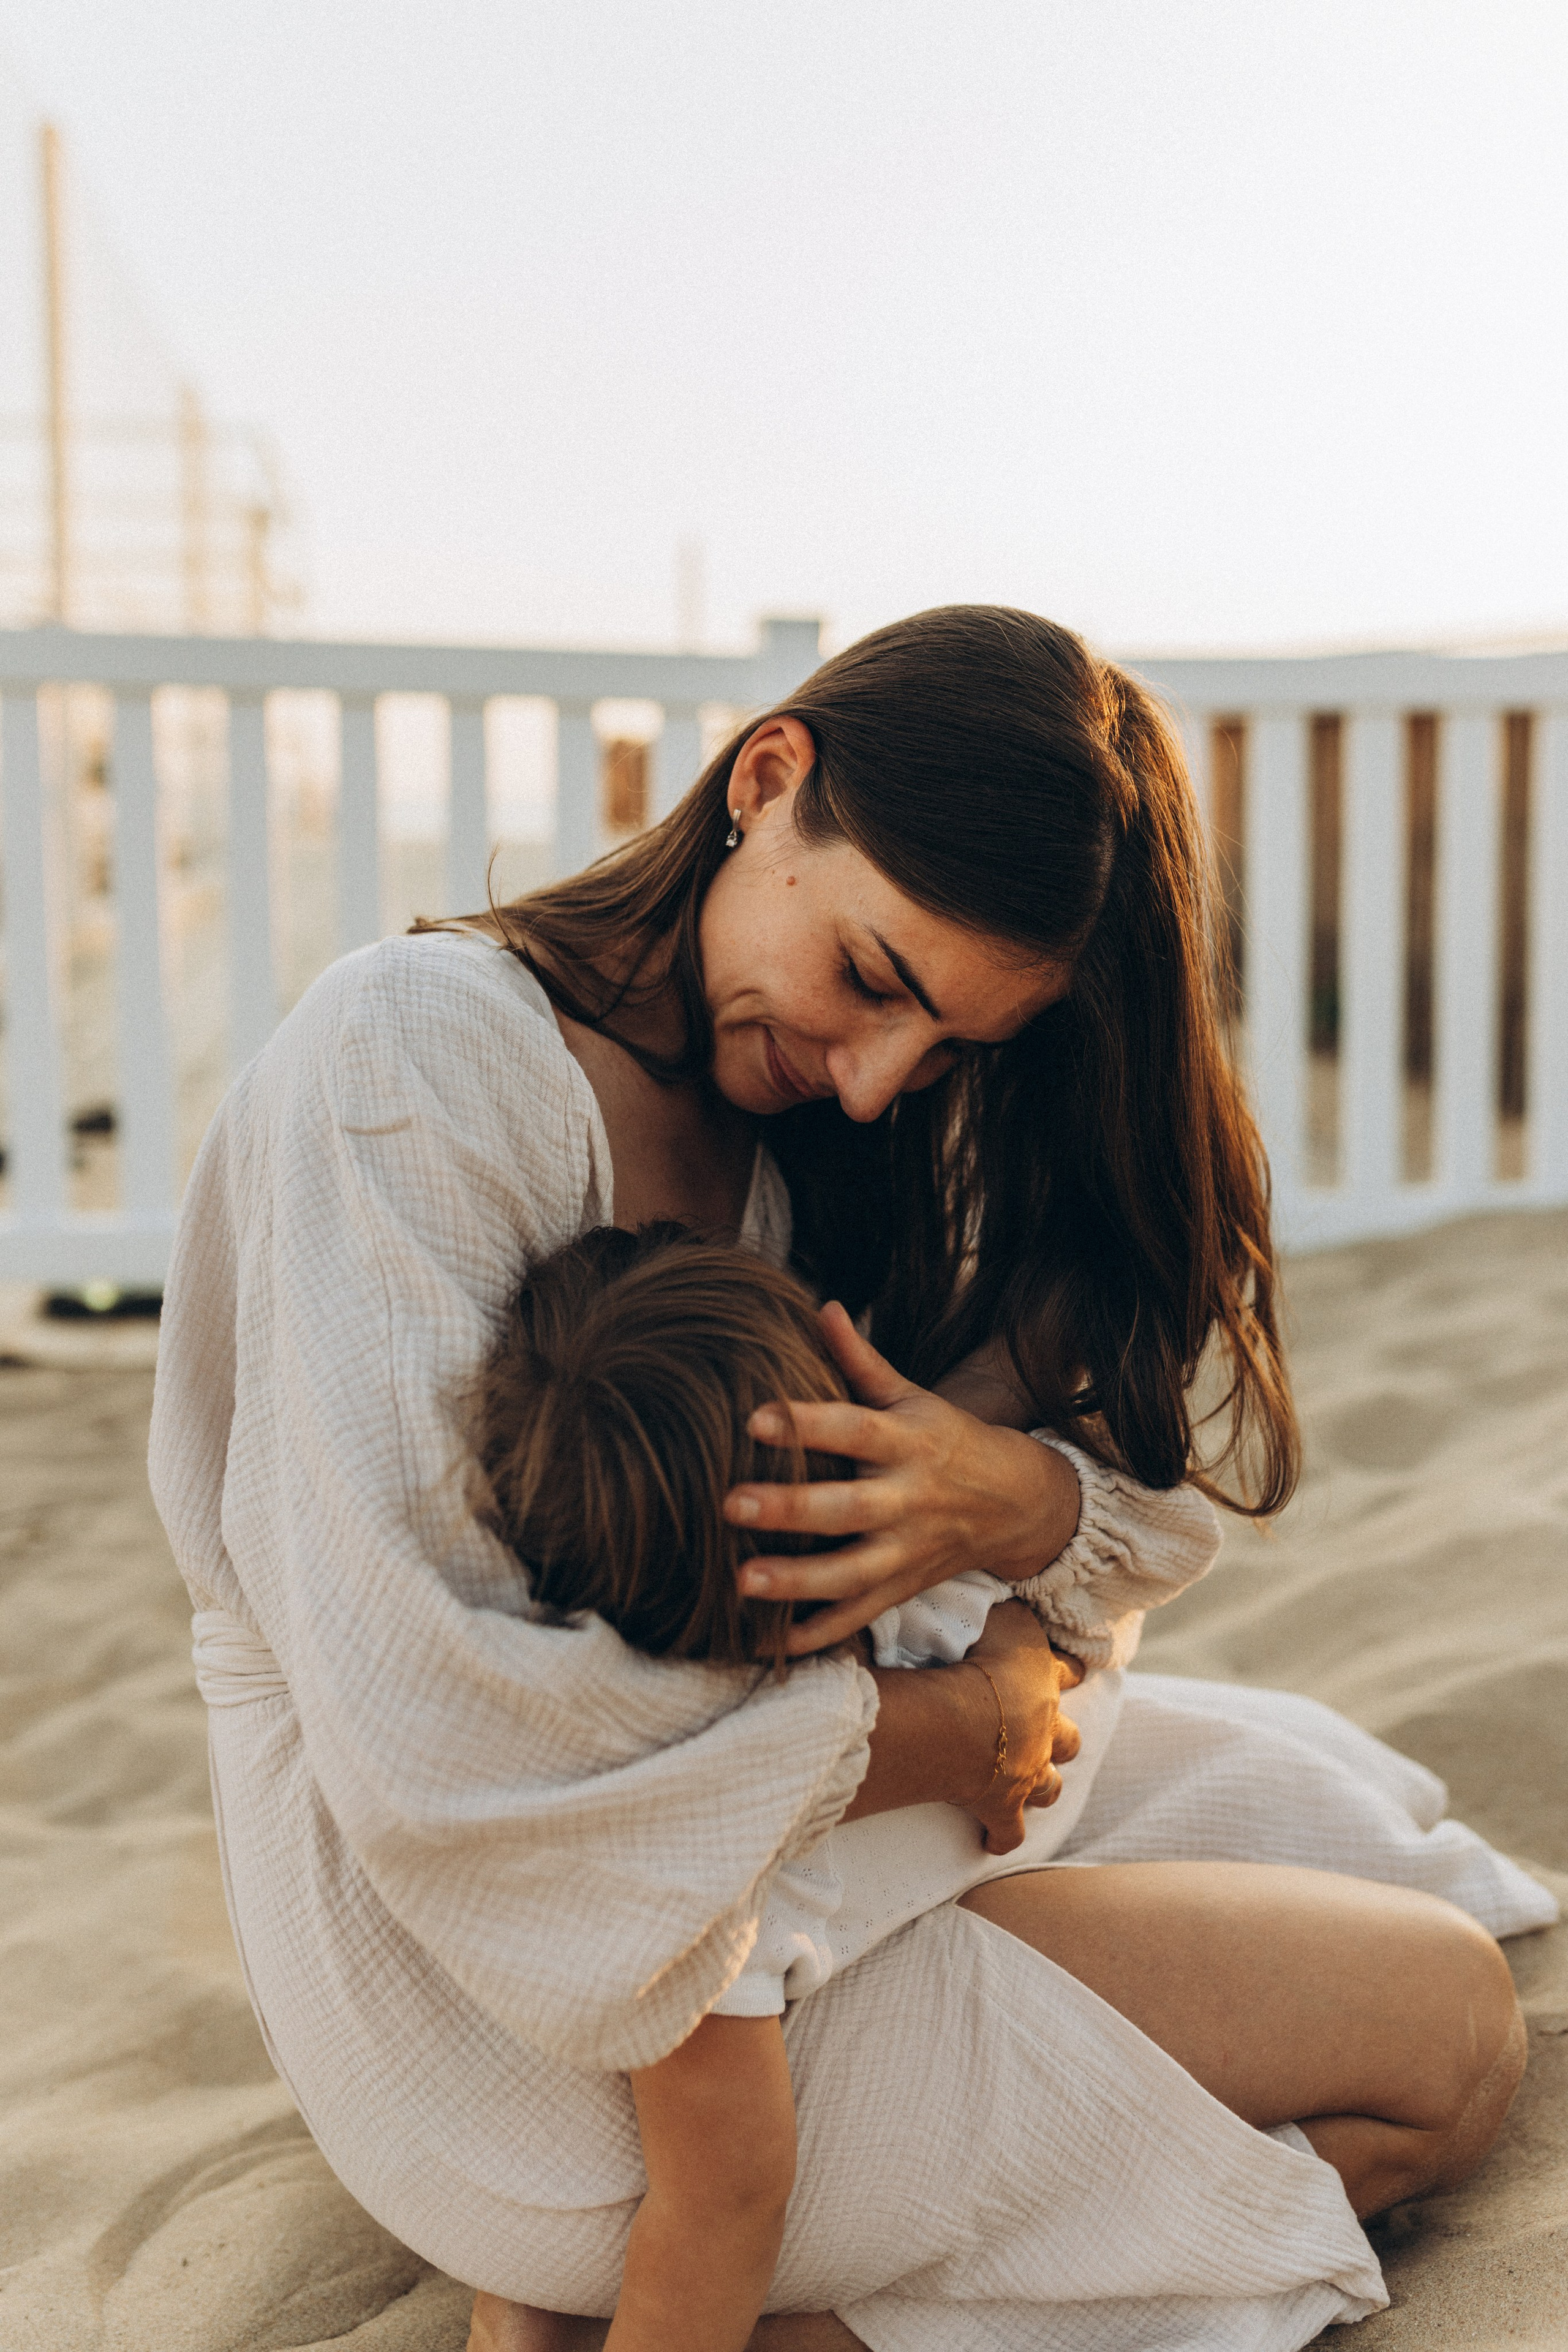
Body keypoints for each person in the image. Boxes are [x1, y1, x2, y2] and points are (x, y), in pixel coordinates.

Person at [152, 607, 1552, 2352]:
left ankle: (850, 2251)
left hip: (784, 1791)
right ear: (768, 780)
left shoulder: (814, 1118)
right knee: (1445, 2043)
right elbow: (439, 1738)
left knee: (1386, 1850)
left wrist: (1012, 1521)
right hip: (508, 1978)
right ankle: (749, 2296)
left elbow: (1156, 1435)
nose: (884, 1081)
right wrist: (952, 1735)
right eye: (876, 984)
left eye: (954, 1048)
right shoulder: (416, 1067)